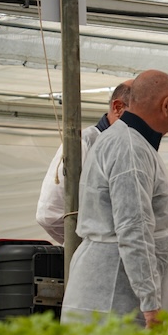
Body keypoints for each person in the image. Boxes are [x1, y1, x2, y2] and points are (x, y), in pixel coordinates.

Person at [61, 70, 168, 328]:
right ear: (167, 105)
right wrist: (150, 305)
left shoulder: (126, 140)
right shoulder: (129, 147)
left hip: (111, 290)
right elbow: (133, 228)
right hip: (116, 297)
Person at [36, 80, 133, 244]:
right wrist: (90, 246)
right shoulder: (83, 144)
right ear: (118, 108)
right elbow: (50, 214)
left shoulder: (135, 149)